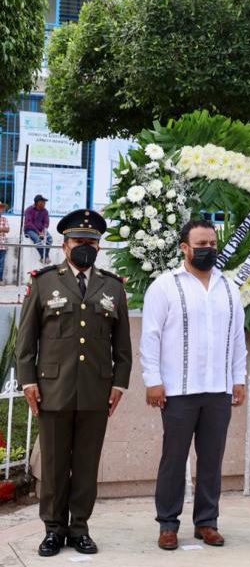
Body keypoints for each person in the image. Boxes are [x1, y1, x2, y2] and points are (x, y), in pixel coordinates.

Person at [16, 209, 132, 557]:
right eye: (80, 241)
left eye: (92, 242)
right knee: (53, 465)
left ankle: (79, 527)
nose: (86, 247)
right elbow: (26, 340)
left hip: (96, 390)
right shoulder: (44, 281)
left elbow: (122, 345)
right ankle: (53, 529)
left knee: (85, 464)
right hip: (53, 388)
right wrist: (27, 382)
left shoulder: (112, 286)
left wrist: (119, 384)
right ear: (65, 245)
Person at [140, 219, 246, 551]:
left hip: (218, 389)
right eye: (201, 244)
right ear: (184, 247)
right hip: (178, 390)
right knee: (174, 458)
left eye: (212, 244)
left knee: (212, 459)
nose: (208, 250)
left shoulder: (229, 287)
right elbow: (150, 337)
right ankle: (168, 524)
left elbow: (237, 338)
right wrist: (153, 381)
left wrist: (238, 379)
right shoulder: (165, 286)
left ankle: (207, 522)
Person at [24, 194, 53, 263]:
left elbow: (46, 223)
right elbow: (29, 223)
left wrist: (43, 231)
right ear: (38, 202)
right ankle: (45, 257)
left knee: (50, 239)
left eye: (44, 202)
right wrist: (38, 232)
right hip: (30, 230)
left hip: (41, 230)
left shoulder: (45, 211)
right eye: (43, 202)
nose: (44, 203)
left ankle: (44, 257)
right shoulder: (29, 210)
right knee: (38, 240)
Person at [0, 202, 9, 284]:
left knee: (1, 263)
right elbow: (4, 229)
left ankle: (0, 280)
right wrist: (2, 229)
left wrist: (2, 229)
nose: (0, 209)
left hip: (2, 244)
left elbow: (7, 229)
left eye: (1, 208)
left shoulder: (4, 219)